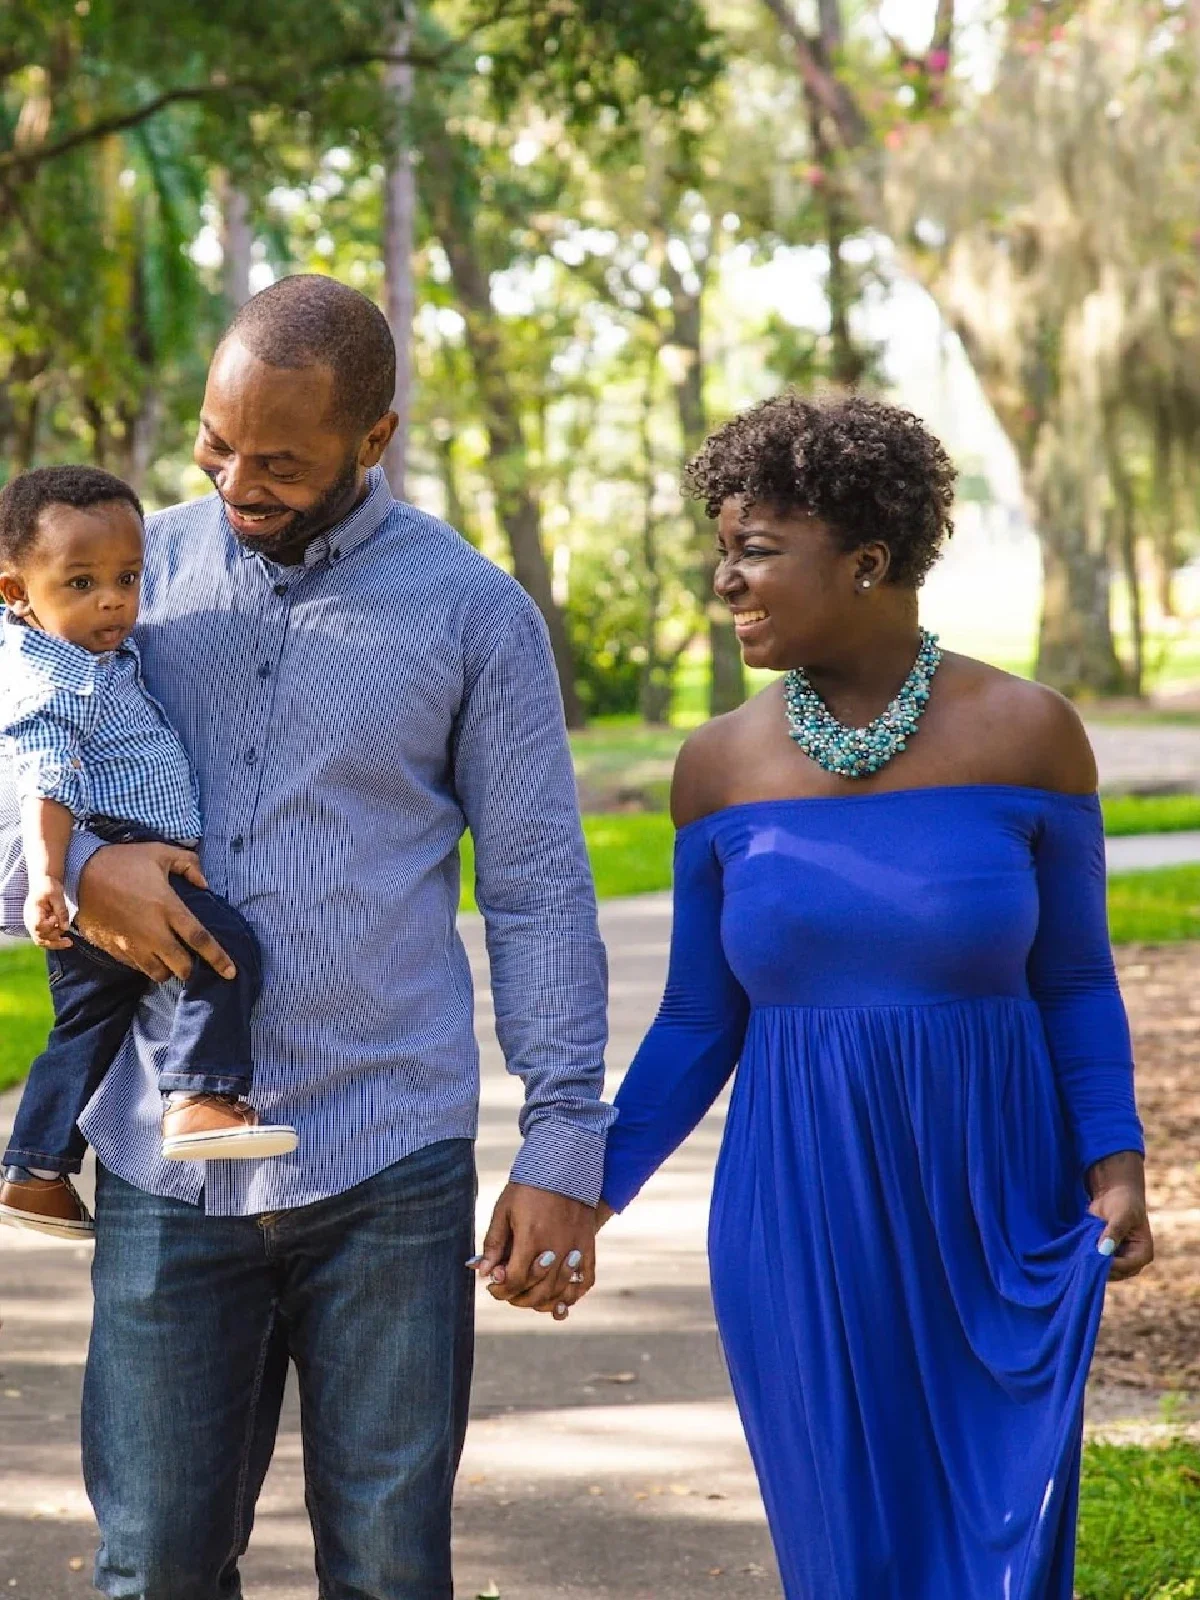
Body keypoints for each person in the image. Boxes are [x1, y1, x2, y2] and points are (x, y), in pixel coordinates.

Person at [0, 274, 610, 1600]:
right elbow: (11, 775)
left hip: (387, 1159)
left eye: (279, 463)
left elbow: (540, 889)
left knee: (390, 1571)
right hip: (163, 1159)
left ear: (373, 438)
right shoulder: (114, 574)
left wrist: (565, 1140)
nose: (237, 485)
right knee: (154, 1568)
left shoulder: (473, 613)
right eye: (217, 447)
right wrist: (84, 873)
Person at [598, 393, 1153, 1600]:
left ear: (866, 560)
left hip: (995, 1189)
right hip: (799, 1203)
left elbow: (1072, 978)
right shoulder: (718, 767)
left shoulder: (1031, 734)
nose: (725, 580)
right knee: (842, 1545)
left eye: (755, 550)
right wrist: (584, 1188)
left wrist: (1115, 1157)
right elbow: (698, 1018)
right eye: (721, 549)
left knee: (999, 1540)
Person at [0, 467, 298, 1239]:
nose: (112, 600)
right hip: (120, 855)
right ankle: (200, 1096)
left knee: (88, 1025)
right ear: (17, 593)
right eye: (82, 583)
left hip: (109, 858)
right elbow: (45, 780)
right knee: (221, 950)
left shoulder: (89, 655)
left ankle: (34, 1171)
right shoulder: (55, 678)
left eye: (127, 579)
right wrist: (54, 877)